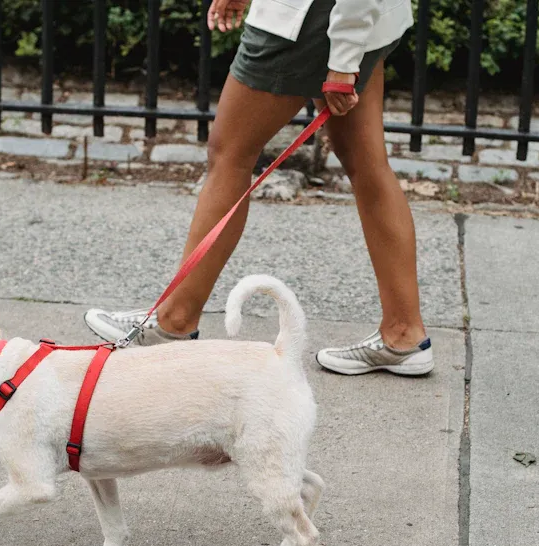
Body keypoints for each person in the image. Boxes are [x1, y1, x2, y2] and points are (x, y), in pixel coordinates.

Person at [85, 0, 433, 376]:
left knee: (229, 153)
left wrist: (343, 59)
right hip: (345, 17)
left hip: (309, 18)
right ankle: (403, 333)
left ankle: (174, 321)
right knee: (367, 165)